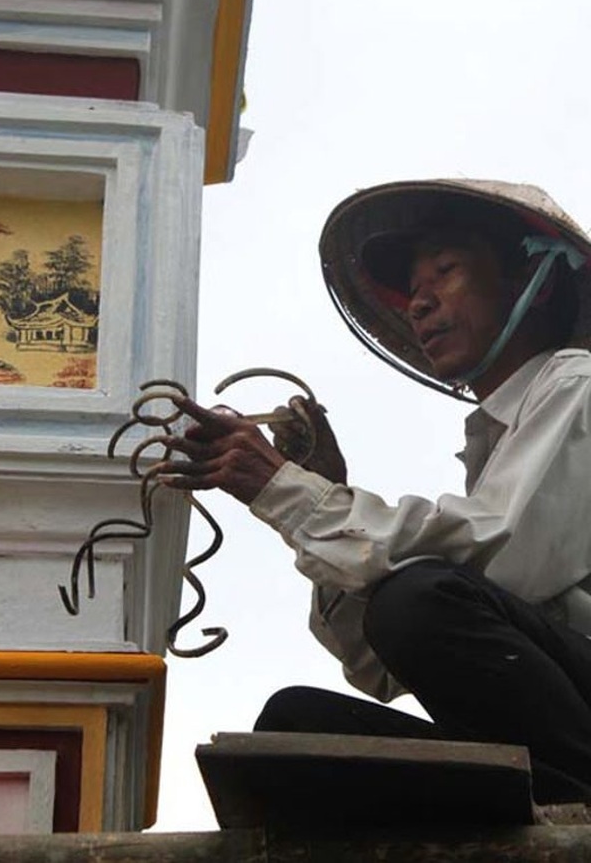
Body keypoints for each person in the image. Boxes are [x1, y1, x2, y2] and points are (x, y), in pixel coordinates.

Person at [157, 178, 591, 804]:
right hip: (549, 737)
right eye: (415, 289)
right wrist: (323, 490)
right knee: (295, 727)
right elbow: (377, 665)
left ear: (534, 284)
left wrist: (288, 492)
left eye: (446, 272)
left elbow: (495, 559)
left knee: (415, 597)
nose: (420, 303)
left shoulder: (576, 386)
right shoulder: (494, 442)